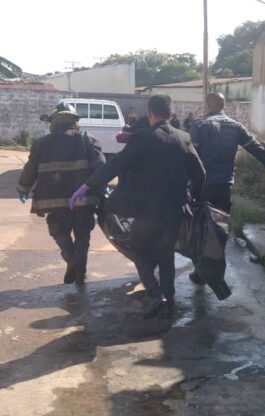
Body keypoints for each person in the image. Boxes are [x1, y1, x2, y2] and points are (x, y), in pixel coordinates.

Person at [69, 94, 205, 320]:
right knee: (166, 255)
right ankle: (169, 300)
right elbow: (200, 174)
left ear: (149, 114)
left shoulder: (143, 137)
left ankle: (156, 293)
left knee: (139, 250)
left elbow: (116, 164)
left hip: (147, 210)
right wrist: (195, 198)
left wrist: (87, 185)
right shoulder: (184, 138)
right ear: (171, 114)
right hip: (174, 210)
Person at [188, 92, 265, 284]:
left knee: (200, 227)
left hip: (202, 186)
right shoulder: (236, 127)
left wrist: (183, 183)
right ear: (223, 105)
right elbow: (257, 149)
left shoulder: (200, 126)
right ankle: (216, 269)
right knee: (221, 226)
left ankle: (200, 271)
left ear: (207, 105)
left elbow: (191, 156)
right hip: (224, 185)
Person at [18, 102, 105, 286]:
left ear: (54, 122)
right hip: (83, 200)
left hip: (54, 200)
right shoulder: (87, 140)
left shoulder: (42, 143)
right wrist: (101, 187)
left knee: (59, 230)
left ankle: (70, 258)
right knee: (83, 236)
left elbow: (30, 169)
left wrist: (23, 188)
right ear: (75, 122)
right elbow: (101, 167)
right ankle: (80, 273)